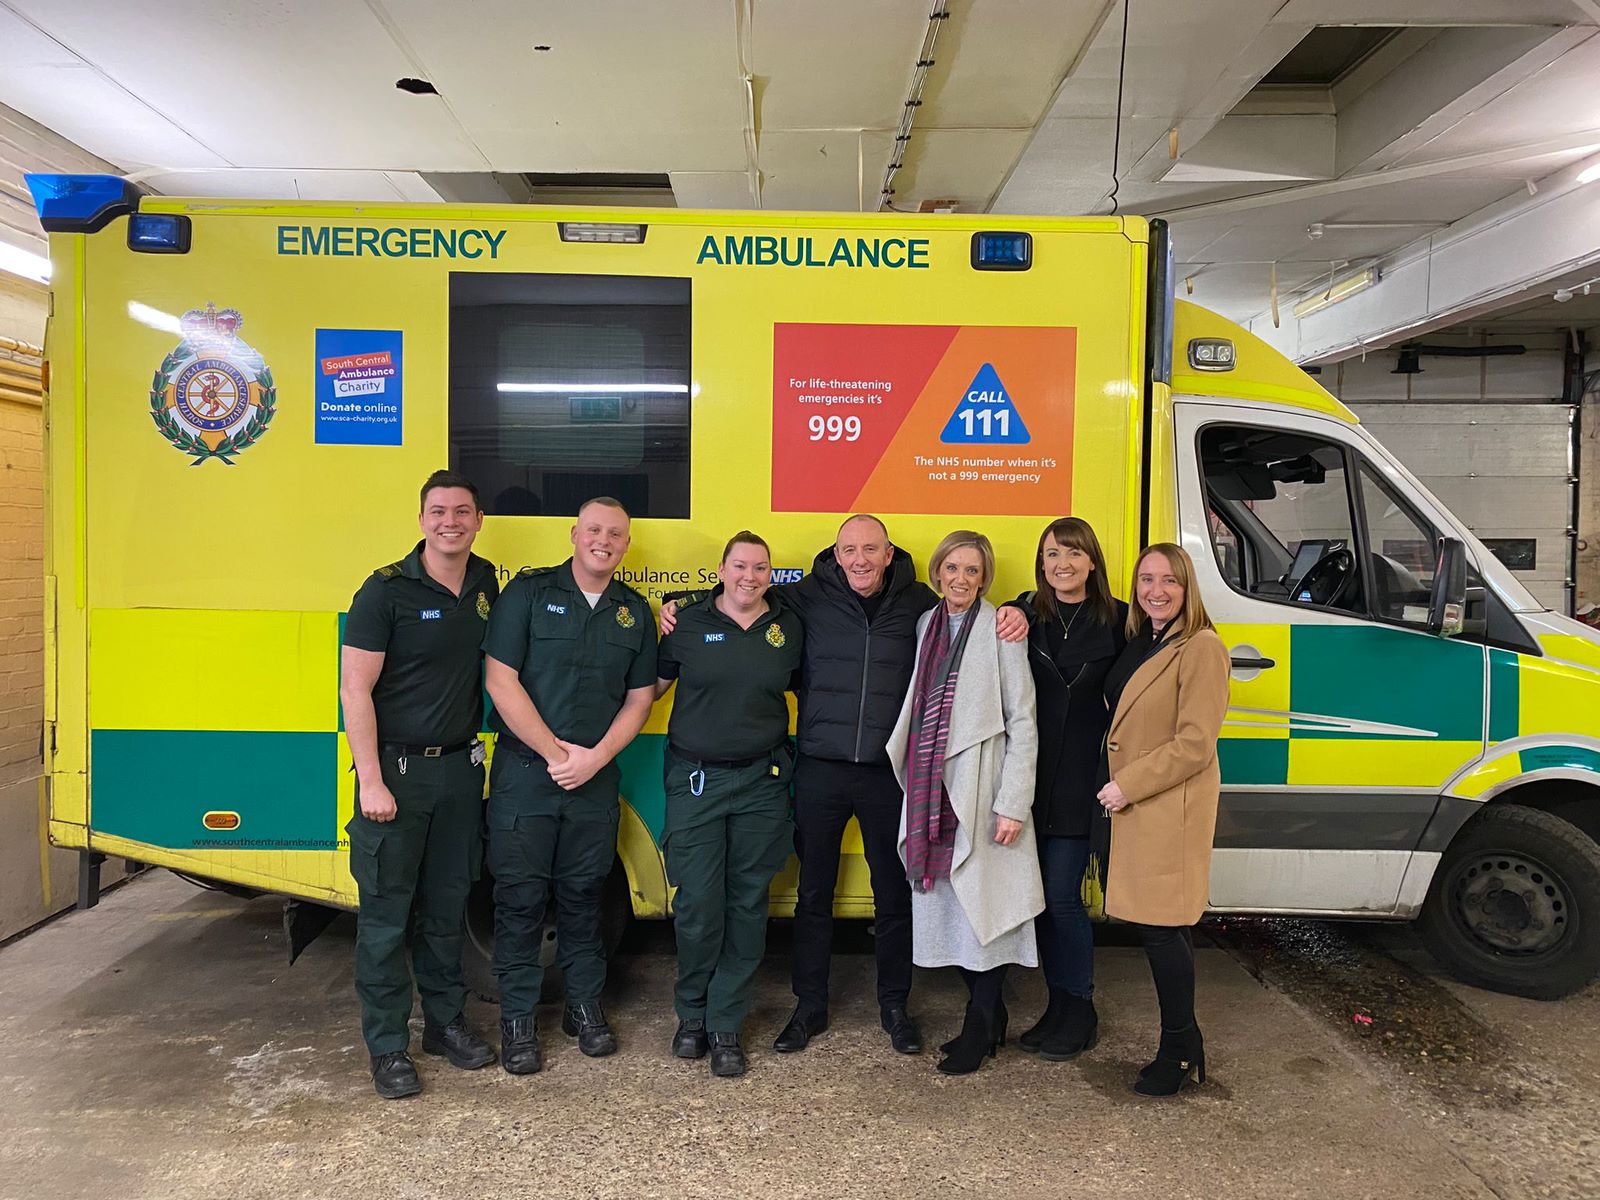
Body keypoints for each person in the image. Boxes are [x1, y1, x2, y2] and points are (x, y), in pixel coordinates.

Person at [660, 516, 1027, 1057]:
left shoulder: (919, 605)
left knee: (894, 895)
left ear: (887, 554)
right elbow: (741, 592)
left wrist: (1018, 610)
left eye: (870, 549)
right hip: (819, 768)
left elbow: (967, 611)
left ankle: (895, 1008)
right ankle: (809, 1007)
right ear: (836, 554)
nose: (859, 559)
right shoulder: (804, 598)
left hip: (888, 772)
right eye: (849, 549)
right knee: (813, 895)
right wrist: (675, 599)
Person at [481, 497, 658, 1074]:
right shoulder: (527, 595)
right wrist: (557, 754)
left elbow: (640, 698)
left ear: (626, 544)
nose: (603, 541)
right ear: (574, 533)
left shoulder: (635, 613)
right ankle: (518, 1021)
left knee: (585, 901)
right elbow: (500, 681)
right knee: (520, 901)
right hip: (526, 779)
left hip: (594, 781)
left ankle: (583, 1008)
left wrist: (595, 758)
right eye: (594, 530)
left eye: (616, 534)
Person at [340, 469, 500, 1099]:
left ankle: (444, 1024)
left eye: (462, 511)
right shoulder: (384, 592)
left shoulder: (488, 582)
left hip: (460, 774)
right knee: (385, 918)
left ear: (478, 520)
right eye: (438, 511)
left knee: (445, 911)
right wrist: (371, 781)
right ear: (421, 519)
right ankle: (386, 1046)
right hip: (397, 777)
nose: (450, 522)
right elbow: (356, 688)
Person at [886, 530, 1041, 1076]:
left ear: (985, 578)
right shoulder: (927, 624)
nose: (960, 579)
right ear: (937, 572)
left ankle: (979, 1024)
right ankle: (989, 1012)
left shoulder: (1003, 628)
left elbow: (1023, 720)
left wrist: (1012, 804)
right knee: (951, 906)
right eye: (952, 568)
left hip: (982, 783)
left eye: (972, 571)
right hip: (934, 787)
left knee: (987, 908)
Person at [655, 532, 804, 1078]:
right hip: (695, 782)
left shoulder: (789, 625)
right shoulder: (688, 622)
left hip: (762, 783)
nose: (749, 576)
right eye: (739, 566)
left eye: (760, 567)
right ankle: (690, 1013)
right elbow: (648, 690)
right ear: (721, 570)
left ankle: (724, 1023)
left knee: (746, 905)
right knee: (697, 905)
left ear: (771, 573)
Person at [1097, 542, 1230, 1096]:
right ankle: (1185, 1041)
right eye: (1146, 579)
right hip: (1135, 807)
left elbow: (1196, 744)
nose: (1155, 590)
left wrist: (1127, 784)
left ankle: (1178, 1047)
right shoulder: (1146, 639)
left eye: (1168, 581)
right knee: (1157, 929)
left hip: (1162, 806)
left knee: (1164, 930)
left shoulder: (1202, 647)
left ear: (1187, 588)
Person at [1012, 517, 1126, 1062]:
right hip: (1029, 783)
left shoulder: (1122, 621)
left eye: (1074, 554)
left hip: (1084, 781)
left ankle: (1080, 1007)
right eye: (1053, 554)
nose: (1063, 564)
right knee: (1039, 904)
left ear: (1092, 561)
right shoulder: (1026, 614)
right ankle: (1056, 1006)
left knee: (1062, 898)